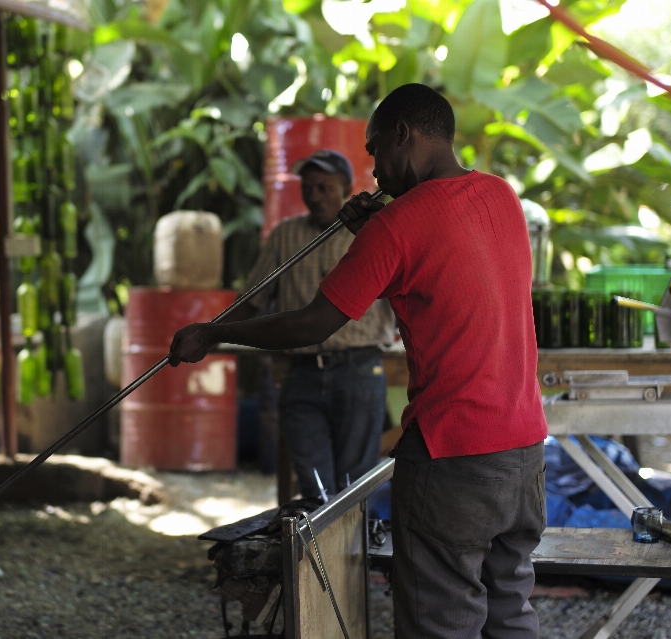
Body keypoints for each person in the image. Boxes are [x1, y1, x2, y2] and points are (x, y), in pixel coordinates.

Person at [168, 83, 548, 639]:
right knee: (509, 612)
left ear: (404, 135)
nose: (373, 171)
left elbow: (310, 323)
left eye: (374, 151)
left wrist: (214, 333)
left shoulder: (396, 226)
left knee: (442, 621)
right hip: (524, 452)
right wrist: (378, 229)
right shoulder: (501, 196)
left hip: (452, 454)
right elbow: (445, 248)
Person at [225, 149, 395, 500]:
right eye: (309, 188)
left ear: (347, 188)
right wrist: (211, 332)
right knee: (314, 488)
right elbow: (252, 300)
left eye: (324, 187)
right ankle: (317, 554)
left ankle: (349, 555)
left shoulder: (372, 232)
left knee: (353, 489)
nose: (315, 196)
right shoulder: (285, 236)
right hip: (301, 373)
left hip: (358, 369)